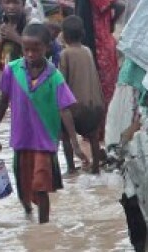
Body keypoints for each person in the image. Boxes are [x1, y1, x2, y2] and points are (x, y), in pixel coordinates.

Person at [0, 22, 86, 224]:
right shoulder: (12, 70)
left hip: (45, 142)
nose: (30, 54)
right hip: (21, 140)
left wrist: (75, 144)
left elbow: (64, 109)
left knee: (41, 187)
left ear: (47, 48)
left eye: (36, 49)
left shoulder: (54, 76)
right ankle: (28, 214)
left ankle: (44, 228)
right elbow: (2, 101)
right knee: (23, 188)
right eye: (26, 49)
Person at [57, 16, 103, 174]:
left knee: (65, 135)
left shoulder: (65, 54)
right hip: (95, 106)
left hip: (76, 108)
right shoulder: (87, 51)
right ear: (82, 33)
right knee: (93, 137)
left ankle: (71, 168)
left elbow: (61, 82)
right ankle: (96, 168)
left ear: (64, 35)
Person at [74, 0, 119, 110]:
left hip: (99, 48)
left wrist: (110, 24)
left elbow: (119, 6)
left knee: (101, 91)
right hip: (103, 45)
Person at [0, 0, 30, 73]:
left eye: (16, 3)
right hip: (10, 77)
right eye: (7, 3)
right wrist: (1, 42)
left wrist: (15, 37)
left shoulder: (32, 24)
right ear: (1, 5)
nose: (11, 7)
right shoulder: (3, 27)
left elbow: (37, 56)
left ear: (23, 4)